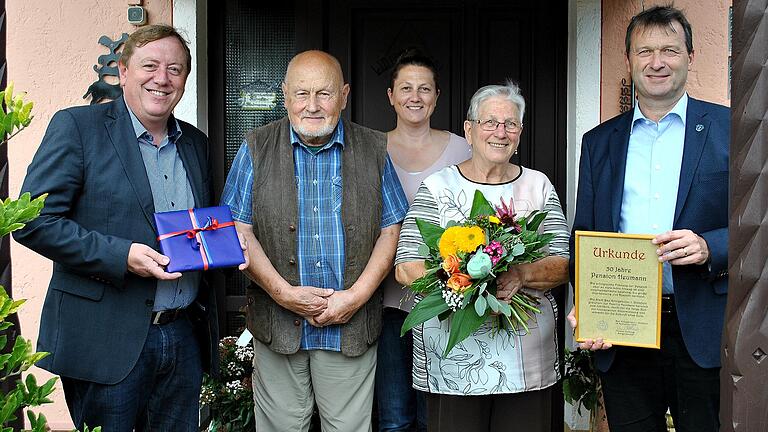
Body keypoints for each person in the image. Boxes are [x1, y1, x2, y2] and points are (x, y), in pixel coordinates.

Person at [12, 24, 242, 431]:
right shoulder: (78, 128)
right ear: (122, 70)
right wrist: (122, 256)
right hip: (105, 340)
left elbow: (195, 228)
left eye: (175, 69)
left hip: (182, 333)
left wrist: (228, 243)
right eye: (149, 65)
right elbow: (34, 223)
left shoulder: (195, 143)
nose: (162, 78)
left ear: (185, 80)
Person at [221, 50, 409, 432]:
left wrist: (355, 298)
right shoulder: (255, 147)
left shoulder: (374, 148)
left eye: (324, 94)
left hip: (350, 326)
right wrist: (282, 293)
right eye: (301, 94)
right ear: (285, 96)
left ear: (344, 95)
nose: (312, 106)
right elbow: (236, 231)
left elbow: (392, 230)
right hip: (277, 323)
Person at [568, 6, 729, 432]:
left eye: (670, 51)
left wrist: (711, 246)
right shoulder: (599, 142)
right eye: (646, 51)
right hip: (623, 327)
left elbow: (758, 225)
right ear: (630, 60)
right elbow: (584, 234)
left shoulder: (729, 130)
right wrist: (587, 306)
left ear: (690, 58)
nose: (657, 62)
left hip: (700, 326)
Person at [394, 82, 569, 432]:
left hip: (526, 361)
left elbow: (563, 264)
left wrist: (520, 273)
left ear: (520, 133)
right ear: (469, 130)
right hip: (454, 360)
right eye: (490, 123)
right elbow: (406, 266)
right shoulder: (437, 187)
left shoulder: (538, 186)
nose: (500, 133)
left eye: (511, 124)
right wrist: (464, 279)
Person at [376, 50, 471, 432]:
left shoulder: (463, 149)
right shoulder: (371, 149)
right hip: (386, 302)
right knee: (395, 417)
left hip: (447, 305)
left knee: (438, 418)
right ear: (391, 95)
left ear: (437, 96)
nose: (415, 97)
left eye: (424, 89)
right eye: (406, 88)